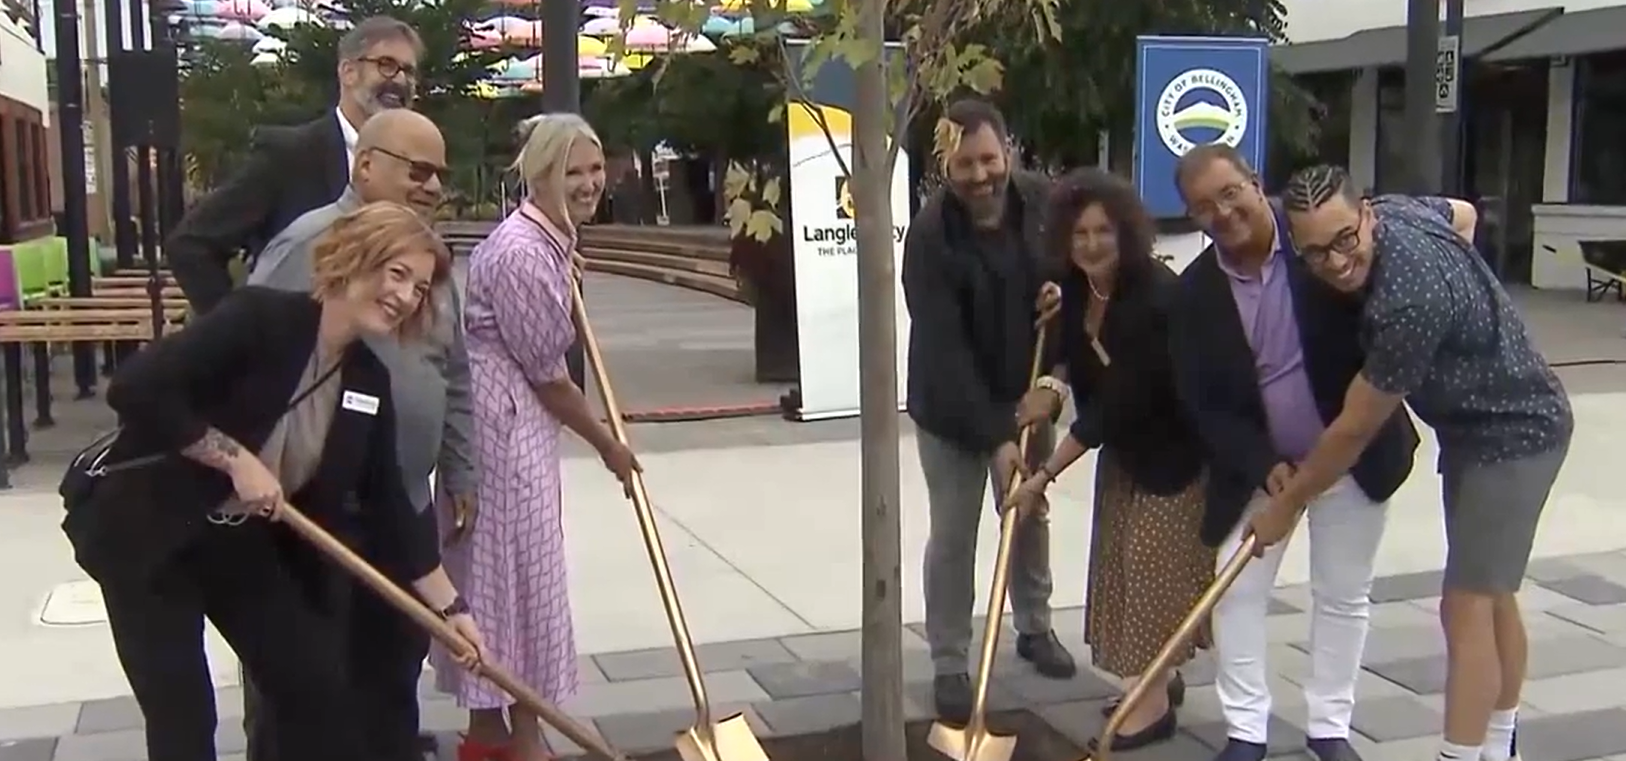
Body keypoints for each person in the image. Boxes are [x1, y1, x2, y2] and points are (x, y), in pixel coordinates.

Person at [61, 201, 487, 761]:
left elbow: (390, 509)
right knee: (183, 713)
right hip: (148, 532)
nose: (406, 296)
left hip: (234, 541)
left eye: (420, 287)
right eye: (397, 273)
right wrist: (234, 459)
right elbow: (137, 389)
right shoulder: (260, 320)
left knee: (312, 684)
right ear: (353, 260)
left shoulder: (367, 378)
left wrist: (452, 613)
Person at [1270, 165, 1573, 761]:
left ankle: (1460, 754)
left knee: (1465, 604)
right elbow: (1464, 213)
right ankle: (1500, 745)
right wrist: (1472, 299)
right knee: (1492, 594)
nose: (1336, 262)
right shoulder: (1404, 211)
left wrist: (1288, 504)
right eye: (1315, 253)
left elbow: (1355, 427)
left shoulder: (1408, 302)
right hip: (1468, 432)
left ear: (1366, 215)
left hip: (1516, 431)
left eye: (1345, 239)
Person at [1167, 145, 1419, 761]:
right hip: (1264, 471)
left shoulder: (1317, 243)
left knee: (1342, 592)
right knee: (1236, 590)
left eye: (1230, 193)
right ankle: (1246, 730)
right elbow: (1204, 401)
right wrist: (1262, 464)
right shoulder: (1194, 294)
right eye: (1204, 206)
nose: (1223, 212)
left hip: (1352, 457)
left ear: (1256, 183)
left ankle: (1330, 727)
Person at [240, 109, 469, 761]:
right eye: (417, 170)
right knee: (303, 692)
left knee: (390, 676)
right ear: (365, 165)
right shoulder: (307, 245)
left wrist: (461, 467)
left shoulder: (428, 257)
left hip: (401, 503)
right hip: (309, 519)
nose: (431, 186)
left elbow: (455, 370)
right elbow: (251, 364)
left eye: (439, 175)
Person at [433, 113, 638, 761]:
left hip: (517, 427)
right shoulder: (522, 252)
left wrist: (567, 261)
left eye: (594, 169)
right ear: (541, 174)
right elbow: (549, 378)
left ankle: (508, 738)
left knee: (518, 585)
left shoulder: (546, 239)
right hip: (505, 435)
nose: (588, 183)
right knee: (512, 585)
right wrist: (608, 444)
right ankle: (514, 741)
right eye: (572, 171)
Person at [1006, 168, 1213, 750]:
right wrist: (1051, 384)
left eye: (1103, 231)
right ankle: (1157, 679)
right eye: (1080, 233)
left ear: (1126, 232)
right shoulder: (1076, 291)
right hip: (1128, 457)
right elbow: (1074, 359)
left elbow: (1114, 407)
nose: (1091, 243)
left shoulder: (1155, 298)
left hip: (1176, 458)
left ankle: (1152, 706)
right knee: (1119, 567)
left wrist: (1043, 476)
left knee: (1150, 570)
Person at [901, 98, 1073, 725]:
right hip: (950, 407)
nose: (980, 175)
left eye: (988, 159)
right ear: (944, 166)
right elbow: (945, 351)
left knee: (1029, 513)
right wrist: (997, 438)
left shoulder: (1045, 207)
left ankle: (1034, 625)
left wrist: (1061, 303)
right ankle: (950, 660)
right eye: (964, 164)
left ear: (1009, 151)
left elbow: (1079, 280)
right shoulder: (930, 237)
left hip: (1026, 395)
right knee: (954, 534)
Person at [169, 16, 423, 312]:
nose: (400, 80)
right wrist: (237, 326)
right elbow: (191, 244)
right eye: (386, 65)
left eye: (409, 71)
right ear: (348, 72)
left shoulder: (416, 162)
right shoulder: (291, 155)